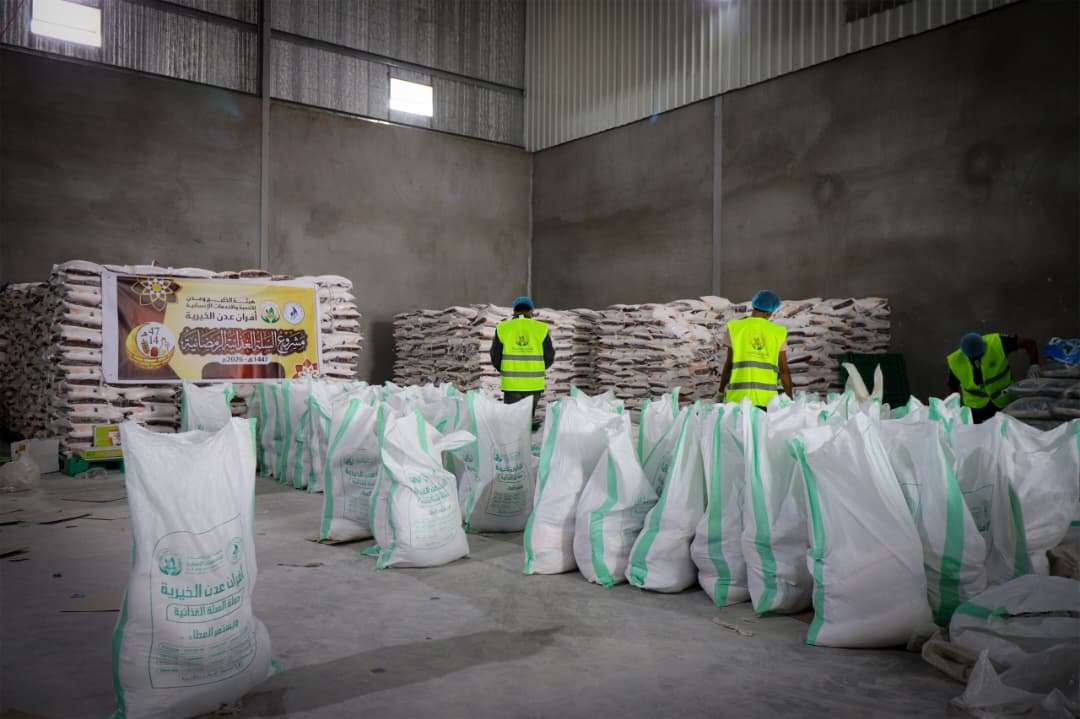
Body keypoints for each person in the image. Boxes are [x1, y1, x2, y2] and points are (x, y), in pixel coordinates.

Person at [718, 289, 794, 409]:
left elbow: (729, 365)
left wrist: (721, 392)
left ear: (753, 306)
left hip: (737, 399)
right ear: (769, 313)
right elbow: (784, 370)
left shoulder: (735, 328)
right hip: (767, 401)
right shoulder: (778, 332)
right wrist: (790, 398)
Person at [490, 296, 555, 429]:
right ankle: (525, 441)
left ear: (514, 311)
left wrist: (505, 369)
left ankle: (513, 442)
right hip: (534, 385)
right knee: (527, 422)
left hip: (512, 385)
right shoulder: (541, 328)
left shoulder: (503, 328)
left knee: (511, 423)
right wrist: (537, 368)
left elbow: (495, 355)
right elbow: (549, 356)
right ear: (531, 311)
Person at [947, 332, 1039, 423]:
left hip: (1003, 399)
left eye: (980, 355)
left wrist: (1034, 365)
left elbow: (1029, 343)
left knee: (1009, 426)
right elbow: (953, 386)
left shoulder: (998, 343)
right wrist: (955, 407)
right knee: (978, 431)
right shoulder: (955, 361)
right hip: (975, 406)